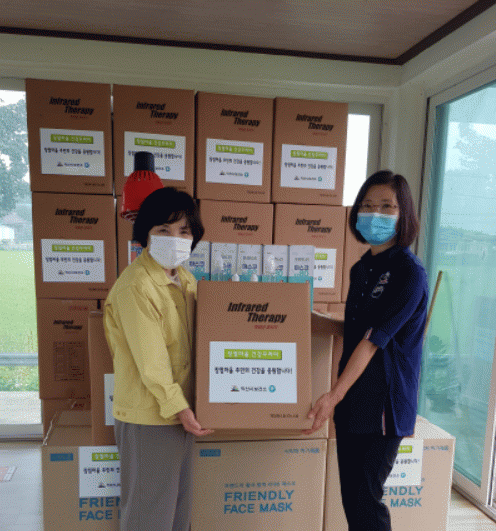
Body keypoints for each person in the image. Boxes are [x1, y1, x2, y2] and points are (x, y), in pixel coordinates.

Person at [304, 170, 428, 531]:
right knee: (351, 499)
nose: (376, 214)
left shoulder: (409, 273)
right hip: (353, 399)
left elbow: (374, 340)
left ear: (404, 214)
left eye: (387, 207)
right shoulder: (362, 268)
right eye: (368, 206)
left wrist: (332, 395)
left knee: (366, 500)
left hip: (384, 404)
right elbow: (357, 328)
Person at [104, 187, 213, 531]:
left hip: (182, 413)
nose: (175, 239)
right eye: (164, 229)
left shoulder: (186, 280)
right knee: (149, 517)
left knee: (177, 513)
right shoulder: (137, 285)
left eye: (184, 230)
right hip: (151, 416)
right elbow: (152, 363)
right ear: (145, 234)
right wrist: (182, 408)